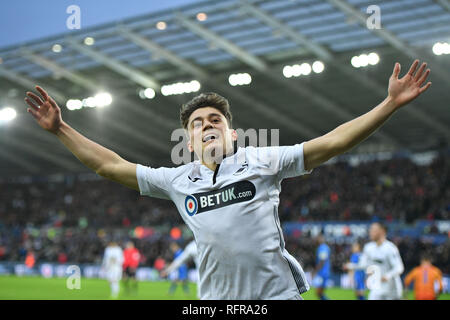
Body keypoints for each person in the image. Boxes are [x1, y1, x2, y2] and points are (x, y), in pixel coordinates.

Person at [24, 59, 431, 299]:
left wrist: (389, 104)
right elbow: (108, 166)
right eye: (198, 123)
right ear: (188, 140)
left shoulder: (262, 162)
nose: (207, 125)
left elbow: (331, 143)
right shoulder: (177, 180)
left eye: (215, 120)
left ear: (232, 133)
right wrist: (61, 130)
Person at [344, 223, 404, 300]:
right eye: (370, 230)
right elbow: (363, 265)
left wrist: (388, 275)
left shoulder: (390, 248)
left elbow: (399, 267)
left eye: (373, 230)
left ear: (382, 231)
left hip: (392, 289)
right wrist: (350, 266)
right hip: (377, 287)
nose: (370, 232)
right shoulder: (368, 247)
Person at [313, 234, 331, 300]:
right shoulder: (324, 247)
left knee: (319, 292)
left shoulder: (323, 247)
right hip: (323, 272)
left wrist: (316, 270)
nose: (316, 240)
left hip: (323, 273)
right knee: (319, 293)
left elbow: (322, 260)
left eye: (318, 238)